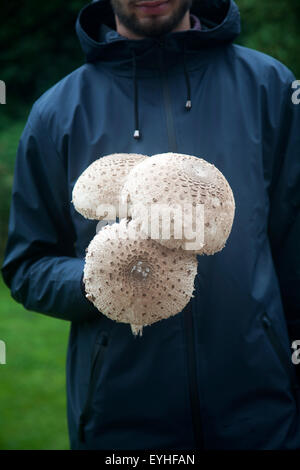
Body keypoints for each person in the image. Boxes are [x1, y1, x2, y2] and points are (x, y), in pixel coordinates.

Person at [2, 0, 300, 450]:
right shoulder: (57, 112)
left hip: (261, 418)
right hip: (122, 424)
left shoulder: (270, 87)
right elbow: (26, 265)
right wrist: (98, 280)